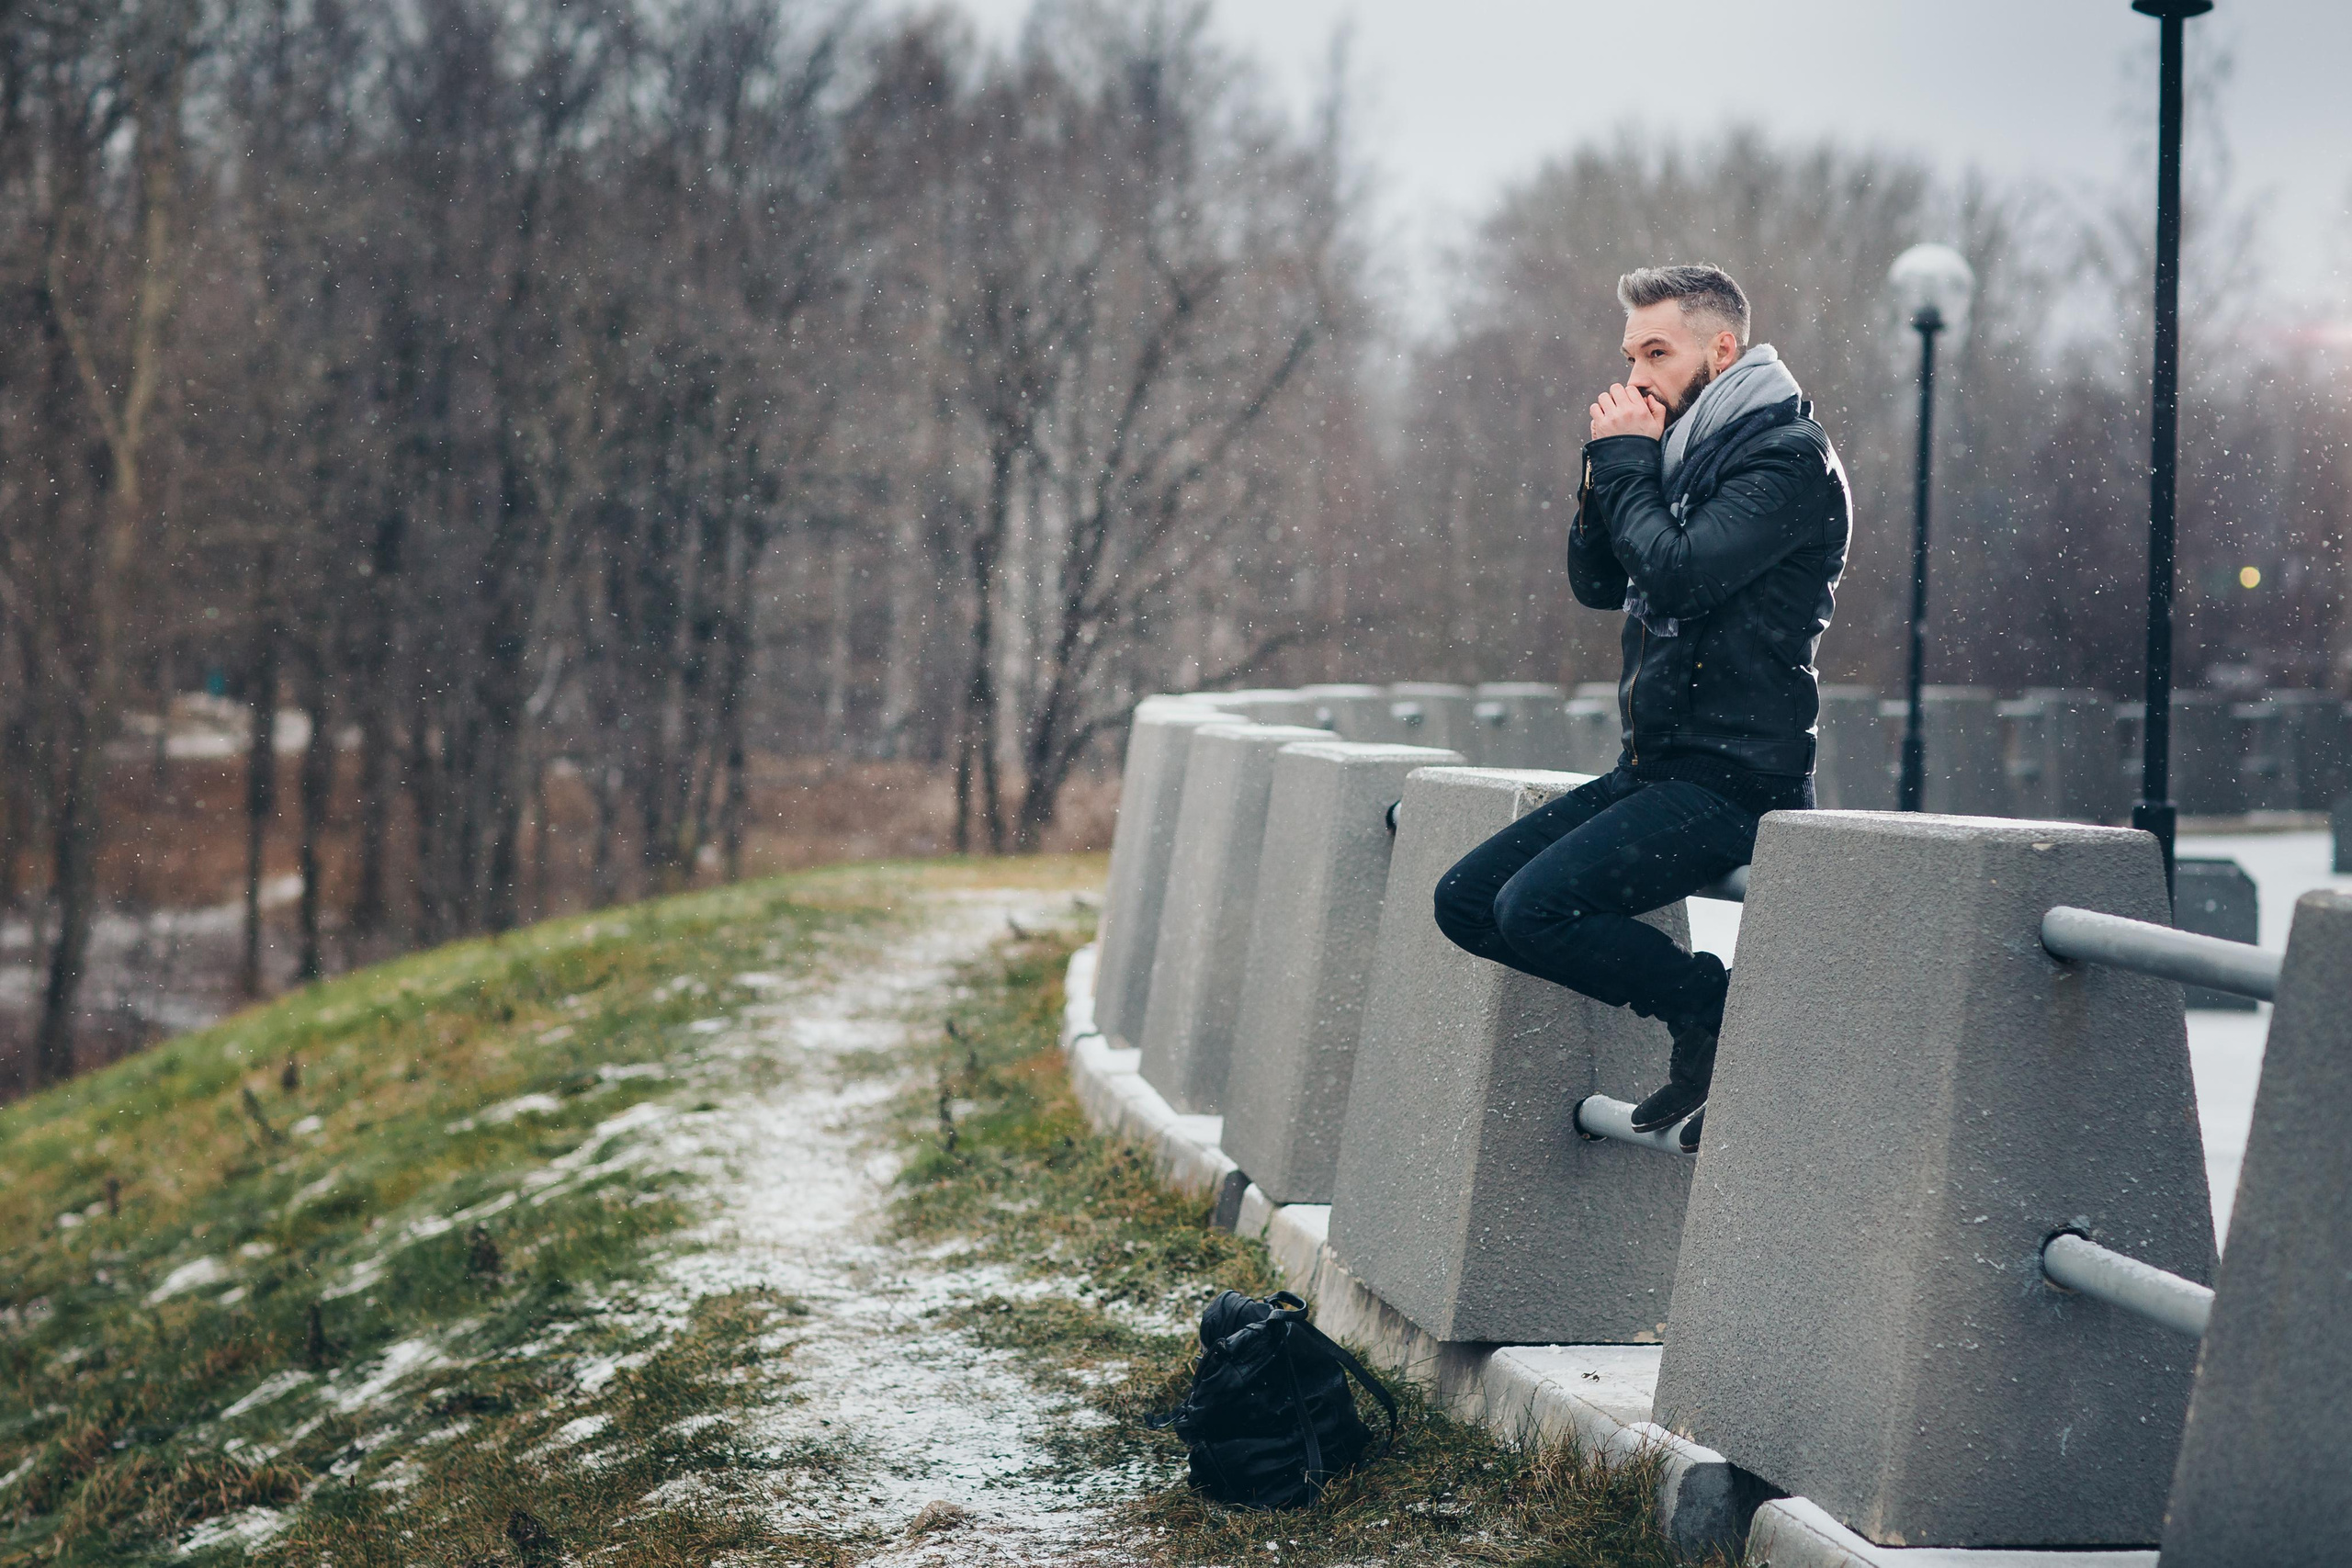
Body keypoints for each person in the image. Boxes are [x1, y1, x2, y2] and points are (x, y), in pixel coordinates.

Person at [1432, 264, 1850, 1153]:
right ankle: (1705, 1015)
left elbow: (1680, 572)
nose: (1636, 376)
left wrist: (1627, 462)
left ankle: (1715, 1013)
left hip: (1739, 778)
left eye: (1657, 352)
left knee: (1535, 910)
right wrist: (1608, 466)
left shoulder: (1783, 457)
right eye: (1631, 355)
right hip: (1656, 766)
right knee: (1467, 901)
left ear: (1722, 348)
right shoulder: (1682, 448)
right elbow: (1598, 582)